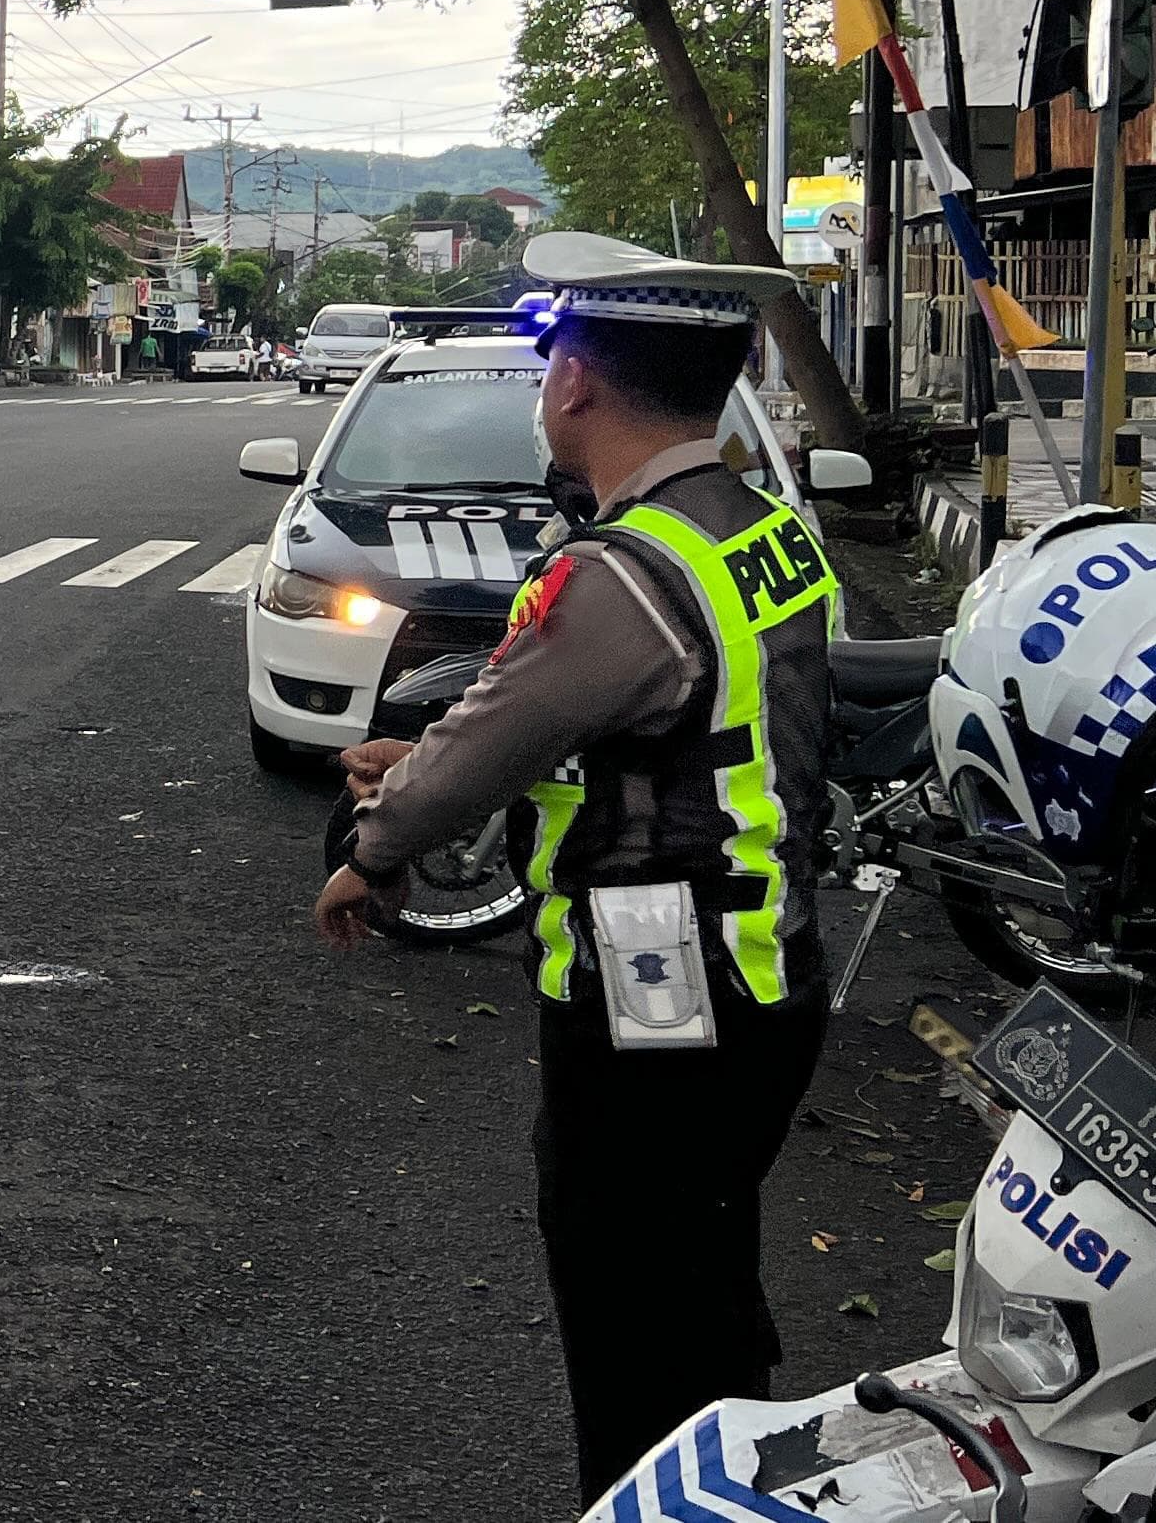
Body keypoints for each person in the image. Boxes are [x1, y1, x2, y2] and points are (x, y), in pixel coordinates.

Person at [312, 230, 838, 1502]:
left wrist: (374, 851)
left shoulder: (618, 572)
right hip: (769, 976)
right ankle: (727, 1469)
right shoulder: (757, 531)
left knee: (631, 1327)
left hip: (659, 1008)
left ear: (578, 385)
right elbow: (682, 737)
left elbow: (491, 739)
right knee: (705, 1289)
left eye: (555, 363)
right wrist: (446, 758)